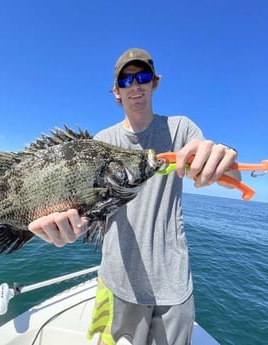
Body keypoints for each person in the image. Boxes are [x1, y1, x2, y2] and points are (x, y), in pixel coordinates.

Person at [28, 48, 239, 345]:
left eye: (142, 76)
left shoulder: (181, 129)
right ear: (116, 91)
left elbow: (229, 177)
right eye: (126, 81)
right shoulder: (101, 142)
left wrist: (223, 159)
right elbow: (91, 212)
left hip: (174, 286)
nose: (135, 85)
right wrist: (66, 229)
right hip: (117, 282)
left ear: (155, 82)